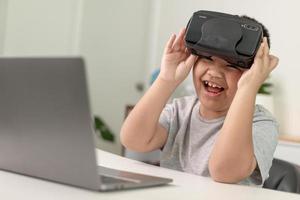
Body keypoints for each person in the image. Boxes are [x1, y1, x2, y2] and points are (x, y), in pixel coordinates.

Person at [120, 15, 279, 186]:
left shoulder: (262, 123)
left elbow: (224, 171)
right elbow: (133, 140)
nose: (215, 72)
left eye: (232, 65)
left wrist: (248, 88)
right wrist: (166, 79)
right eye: (207, 58)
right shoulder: (180, 111)